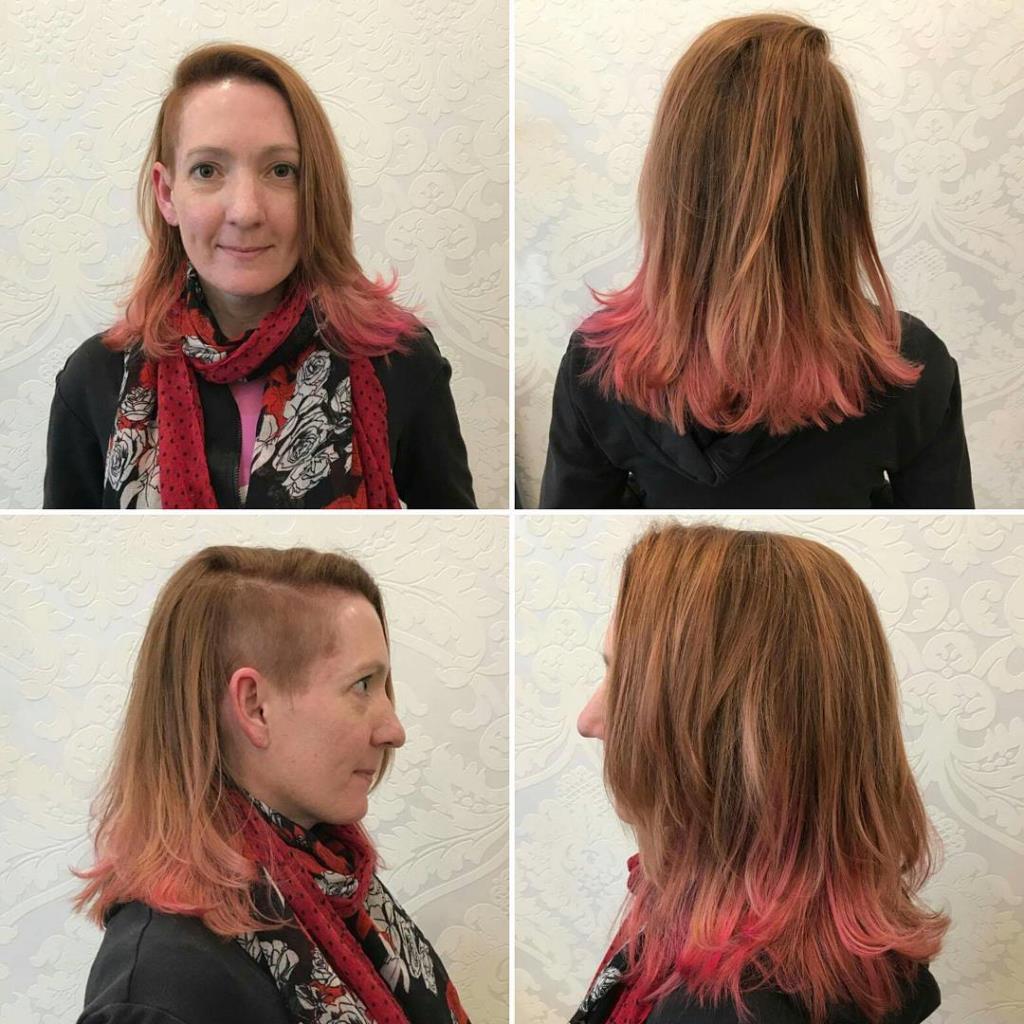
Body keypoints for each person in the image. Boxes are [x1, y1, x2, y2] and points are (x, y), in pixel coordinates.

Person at [540, 15, 973, 510]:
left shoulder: (598, 362)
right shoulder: (905, 363)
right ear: (834, 184)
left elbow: (564, 515)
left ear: (672, 171)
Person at [45, 43, 475, 510]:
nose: (246, 211)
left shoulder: (401, 365)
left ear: (315, 190)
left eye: (281, 171)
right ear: (167, 194)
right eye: (207, 170)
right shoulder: (94, 380)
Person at [74, 545, 471, 1024]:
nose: (394, 729)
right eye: (363, 684)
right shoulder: (158, 992)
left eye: (384, 686)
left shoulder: (329, 888)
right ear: (255, 707)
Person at [572, 523, 946, 1024]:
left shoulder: (721, 1009)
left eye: (623, 681)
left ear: (721, 734)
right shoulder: (852, 940)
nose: (588, 720)